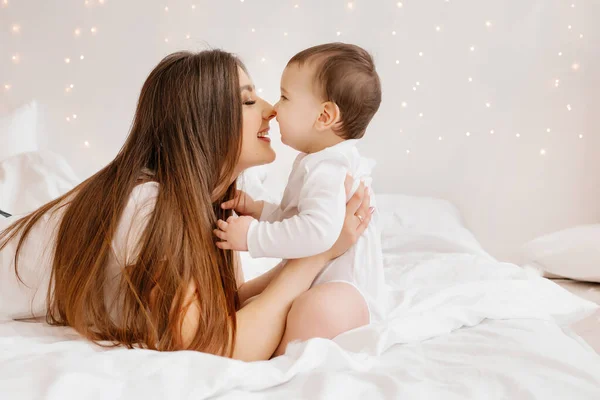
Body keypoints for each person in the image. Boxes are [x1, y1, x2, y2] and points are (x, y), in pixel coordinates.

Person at [0, 50, 373, 362]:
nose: (270, 109)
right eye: (247, 100)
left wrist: (312, 256)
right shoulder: (147, 207)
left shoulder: (210, 202)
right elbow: (223, 347)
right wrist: (317, 255)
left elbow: (226, 309)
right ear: (204, 124)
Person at [216, 43, 386, 355]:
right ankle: (274, 353)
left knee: (315, 311)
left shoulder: (329, 166)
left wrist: (253, 236)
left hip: (347, 291)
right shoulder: (316, 161)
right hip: (320, 279)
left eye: (285, 96)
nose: (275, 108)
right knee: (255, 302)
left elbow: (317, 233)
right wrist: (260, 210)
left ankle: (280, 363)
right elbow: (298, 219)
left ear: (324, 116)